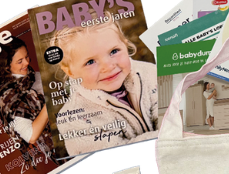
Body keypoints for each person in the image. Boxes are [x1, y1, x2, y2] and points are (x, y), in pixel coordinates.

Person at [44, 17, 158, 157]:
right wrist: (167, 136)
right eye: (90, 62)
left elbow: (172, 115)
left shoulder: (149, 73)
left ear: (125, 44)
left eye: (114, 51)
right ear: (70, 72)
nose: (108, 66)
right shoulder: (75, 120)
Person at [0, 39, 56, 166]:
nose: (27, 62)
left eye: (26, 56)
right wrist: (52, 101)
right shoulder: (8, 97)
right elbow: (31, 136)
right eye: (20, 61)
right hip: (60, 146)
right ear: (6, 66)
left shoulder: (30, 75)